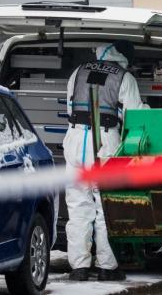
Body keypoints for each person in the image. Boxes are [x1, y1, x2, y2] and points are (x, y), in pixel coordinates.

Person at [62, 43, 143, 281]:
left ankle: (79, 267)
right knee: (105, 207)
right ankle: (107, 267)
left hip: (76, 139)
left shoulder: (78, 72)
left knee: (78, 206)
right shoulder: (124, 77)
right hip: (105, 142)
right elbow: (133, 114)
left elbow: (69, 105)